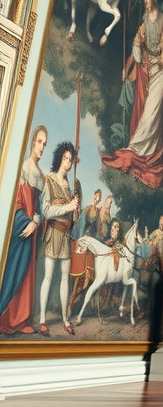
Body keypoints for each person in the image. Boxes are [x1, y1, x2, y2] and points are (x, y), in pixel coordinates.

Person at [101, 0, 163, 188]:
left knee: (153, 110)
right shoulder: (145, 22)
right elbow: (137, 43)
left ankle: (143, 148)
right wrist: (138, 56)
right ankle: (139, 148)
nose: (145, 0)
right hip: (150, 71)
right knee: (149, 110)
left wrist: (159, 61)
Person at [0, 125, 48, 334]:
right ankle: (9, 318)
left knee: (29, 271)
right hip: (21, 226)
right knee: (15, 268)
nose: (42, 147)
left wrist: (35, 221)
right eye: (39, 142)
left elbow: (40, 208)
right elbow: (16, 201)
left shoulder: (42, 176)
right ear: (32, 142)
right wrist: (25, 221)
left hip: (33, 228)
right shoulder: (23, 168)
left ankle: (23, 319)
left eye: (45, 144)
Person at [38, 141, 80, 336]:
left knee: (64, 278)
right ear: (59, 158)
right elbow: (46, 211)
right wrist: (67, 207)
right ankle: (42, 319)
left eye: (70, 159)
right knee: (48, 276)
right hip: (53, 233)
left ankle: (65, 319)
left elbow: (73, 219)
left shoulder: (69, 186)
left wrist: (76, 210)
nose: (68, 162)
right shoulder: (50, 180)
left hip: (65, 236)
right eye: (65, 158)